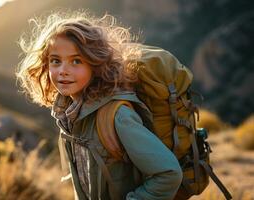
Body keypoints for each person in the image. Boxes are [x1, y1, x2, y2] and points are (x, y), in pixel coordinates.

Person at [16, 10, 183, 200]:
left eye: (76, 61)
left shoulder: (118, 117)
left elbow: (168, 174)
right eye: (55, 61)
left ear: (95, 64)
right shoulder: (69, 115)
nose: (63, 71)